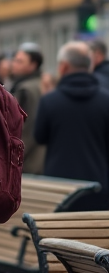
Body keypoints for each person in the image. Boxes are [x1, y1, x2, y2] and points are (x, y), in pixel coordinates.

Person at [35, 42, 109, 210]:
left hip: (58, 187)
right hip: (98, 184)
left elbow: (40, 136)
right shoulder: (106, 100)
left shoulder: (49, 101)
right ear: (89, 66)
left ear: (63, 67)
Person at [9, 43, 46, 175]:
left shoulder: (25, 89)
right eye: (14, 60)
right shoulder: (40, 84)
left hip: (26, 161)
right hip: (38, 158)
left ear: (33, 65)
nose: (14, 64)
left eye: (19, 61)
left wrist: (14, 156)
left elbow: (20, 126)